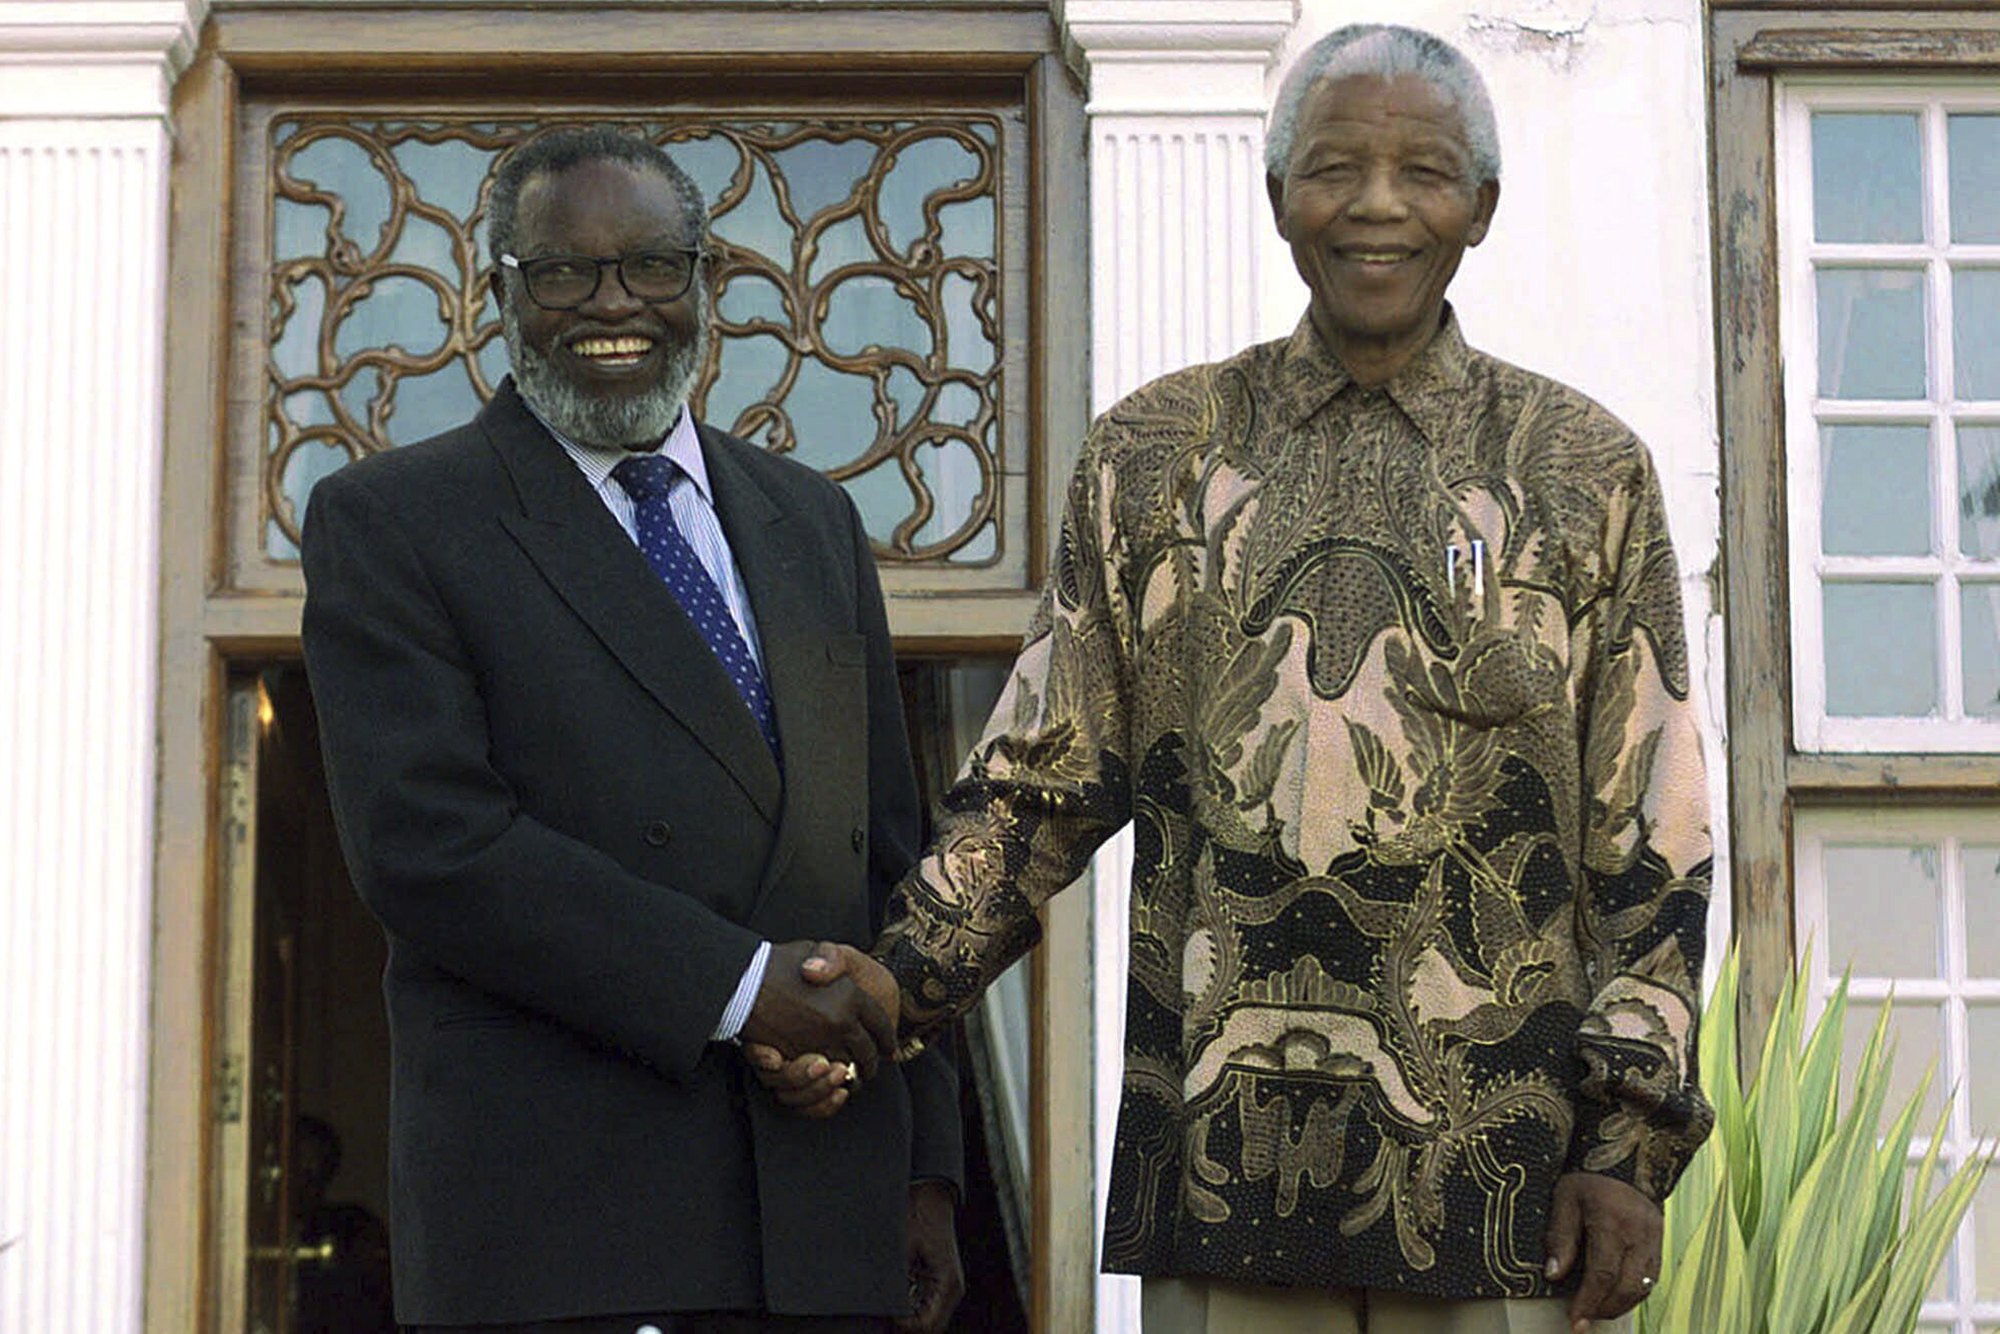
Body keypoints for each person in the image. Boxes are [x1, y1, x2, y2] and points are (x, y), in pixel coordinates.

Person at [758, 24, 1713, 1334]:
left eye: (1424, 172)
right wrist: (889, 986)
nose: (1378, 204)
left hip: (1500, 1185)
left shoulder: (1583, 470)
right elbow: (1040, 784)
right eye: (1334, 167)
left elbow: (1650, 838)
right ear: (1278, 199)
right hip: (1221, 1172)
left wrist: (1628, 1145)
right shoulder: (1153, 456)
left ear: (1481, 208)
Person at [301, 124, 962, 1334]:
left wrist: (924, 1170)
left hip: (826, 1214)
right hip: (573, 1235)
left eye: (652, 265)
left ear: (704, 283)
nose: (614, 305)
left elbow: (888, 857)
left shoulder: (814, 519)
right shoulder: (392, 522)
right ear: (496, 292)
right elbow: (431, 844)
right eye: (563, 272)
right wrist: (738, 987)